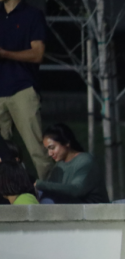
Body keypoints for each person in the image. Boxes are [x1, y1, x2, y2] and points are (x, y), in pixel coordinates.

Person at [0, 0, 54, 180]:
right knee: (3, 152)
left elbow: (38, 54)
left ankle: (52, 197)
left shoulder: (32, 15)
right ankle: (7, 196)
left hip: (22, 88)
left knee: (37, 148)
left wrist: (5, 53)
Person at [35, 123, 109, 204]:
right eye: (47, 149)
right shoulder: (58, 166)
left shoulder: (86, 161)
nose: (49, 153)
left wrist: (41, 184)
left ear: (66, 142)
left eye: (52, 148)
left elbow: (76, 190)